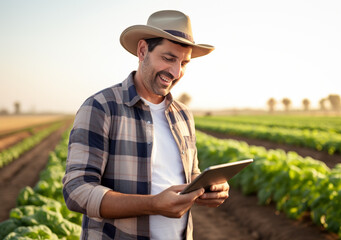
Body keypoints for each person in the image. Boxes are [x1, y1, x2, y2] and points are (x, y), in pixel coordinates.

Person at [62, 10, 229, 240]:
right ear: (142, 51)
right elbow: (77, 191)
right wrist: (153, 204)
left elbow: (190, 176)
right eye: (169, 58)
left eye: (184, 63)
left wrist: (208, 190)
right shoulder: (101, 107)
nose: (176, 72)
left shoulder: (183, 115)